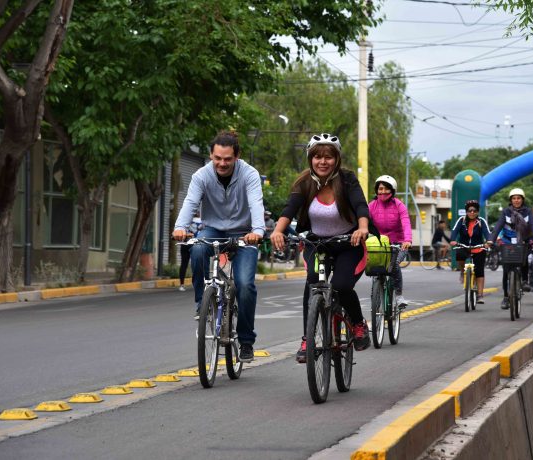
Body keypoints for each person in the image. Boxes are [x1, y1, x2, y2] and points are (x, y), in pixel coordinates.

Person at [270, 133, 371, 363]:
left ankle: (357, 323)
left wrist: (362, 228)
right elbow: (289, 210)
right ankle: (308, 339)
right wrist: (278, 231)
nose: (322, 162)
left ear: (337, 159)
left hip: (349, 243)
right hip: (318, 243)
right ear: (310, 159)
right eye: (317, 157)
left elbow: (360, 204)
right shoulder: (304, 183)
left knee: (341, 286)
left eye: (328, 157)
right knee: (313, 282)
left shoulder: (347, 180)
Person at [173, 130, 264, 363]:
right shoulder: (201, 175)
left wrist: (258, 231)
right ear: (211, 155)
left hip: (245, 233)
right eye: (217, 158)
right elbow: (190, 202)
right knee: (198, 248)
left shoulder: (250, 174)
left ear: (237, 156)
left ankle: (246, 341)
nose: (222, 164)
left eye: (227, 159)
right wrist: (180, 227)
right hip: (213, 229)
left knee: (245, 284)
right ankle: (201, 302)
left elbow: (255, 204)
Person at [486, 188, 533, 309]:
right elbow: (498, 227)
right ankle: (506, 297)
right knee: (506, 270)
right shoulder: (506, 212)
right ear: (511, 200)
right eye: (514, 198)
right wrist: (491, 239)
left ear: (523, 200)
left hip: (523, 240)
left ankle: (525, 281)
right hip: (507, 241)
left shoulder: (528, 212)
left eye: (519, 198)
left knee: (525, 258)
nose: (516, 200)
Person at [368, 174, 412, 309]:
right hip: (379, 244)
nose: (383, 192)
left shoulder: (399, 205)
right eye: (380, 189)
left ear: (392, 190)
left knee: (394, 265)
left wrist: (407, 239)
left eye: (387, 189)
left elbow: (405, 221)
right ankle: (377, 290)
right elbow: (363, 222)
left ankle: (398, 296)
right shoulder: (371, 206)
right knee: (375, 267)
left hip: (398, 243)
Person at [450, 200, 490, 303]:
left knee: (479, 271)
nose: (472, 212)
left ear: (477, 212)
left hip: (478, 247)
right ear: (466, 211)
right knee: (459, 254)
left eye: (475, 210)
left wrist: (489, 241)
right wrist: (453, 240)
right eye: (470, 210)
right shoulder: (461, 220)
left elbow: (487, 233)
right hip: (464, 246)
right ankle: (463, 272)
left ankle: (480, 295)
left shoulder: (481, 221)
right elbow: (454, 231)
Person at [178, 212, 203, 292]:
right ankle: (197, 284)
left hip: (185, 244)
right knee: (196, 264)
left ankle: (181, 285)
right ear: (199, 214)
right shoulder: (201, 222)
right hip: (195, 244)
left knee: (183, 264)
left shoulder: (186, 222)